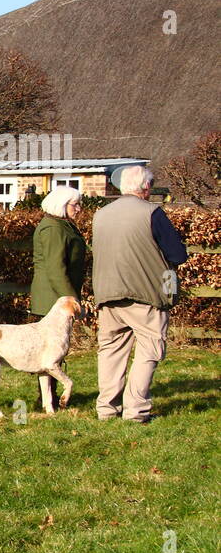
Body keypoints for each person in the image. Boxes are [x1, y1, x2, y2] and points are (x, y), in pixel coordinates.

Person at [91, 166, 188, 423]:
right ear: (145, 188)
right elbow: (178, 255)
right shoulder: (152, 213)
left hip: (107, 293)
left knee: (110, 351)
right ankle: (136, 410)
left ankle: (107, 410)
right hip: (145, 294)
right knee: (149, 350)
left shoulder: (100, 214)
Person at [30, 185, 87, 317]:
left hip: (59, 299)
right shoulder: (53, 228)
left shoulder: (63, 225)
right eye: (75, 205)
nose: (78, 209)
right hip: (52, 300)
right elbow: (56, 269)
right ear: (61, 204)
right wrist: (73, 301)